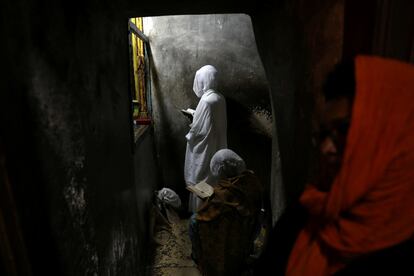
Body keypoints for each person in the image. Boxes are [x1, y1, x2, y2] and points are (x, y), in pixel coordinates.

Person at [285, 56, 414, 276]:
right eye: (324, 134)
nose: (326, 148)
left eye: (343, 131)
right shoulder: (304, 216)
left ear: (396, 137)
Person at [189, 149, 263, 276]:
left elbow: (205, 216)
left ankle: (199, 257)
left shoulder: (222, 195)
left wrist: (208, 199)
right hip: (249, 230)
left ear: (221, 170)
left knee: (193, 221)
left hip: (232, 228)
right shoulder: (252, 180)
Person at [184, 65, 227, 213]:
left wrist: (190, 130)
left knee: (200, 178)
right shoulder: (220, 98)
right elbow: (212, 121)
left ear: (204, 80)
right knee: (213, 177)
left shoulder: (206, 100)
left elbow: (198, 129)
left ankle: (200, 214)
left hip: (205, 147)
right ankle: (213, 213)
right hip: (217, 144)